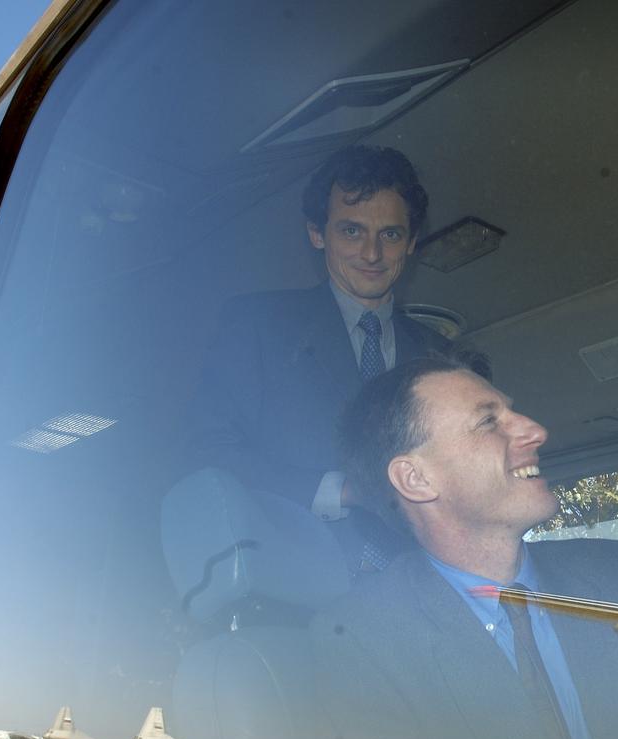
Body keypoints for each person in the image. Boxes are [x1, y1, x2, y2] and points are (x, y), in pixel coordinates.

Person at [308, 356, 618, 739]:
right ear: (416, 479)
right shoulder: (360, 645)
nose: (535, 430)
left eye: (513, 412)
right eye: (489, 421)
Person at [188, 145, 449, 571]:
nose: (371, 254)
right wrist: (343, 491)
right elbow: (207, 451)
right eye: (351, 231)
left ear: (411, 242)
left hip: (426, 590)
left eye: (390, 234)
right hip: (298, 584)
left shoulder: (440, 355)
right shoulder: (258, 325)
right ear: (316, 233)